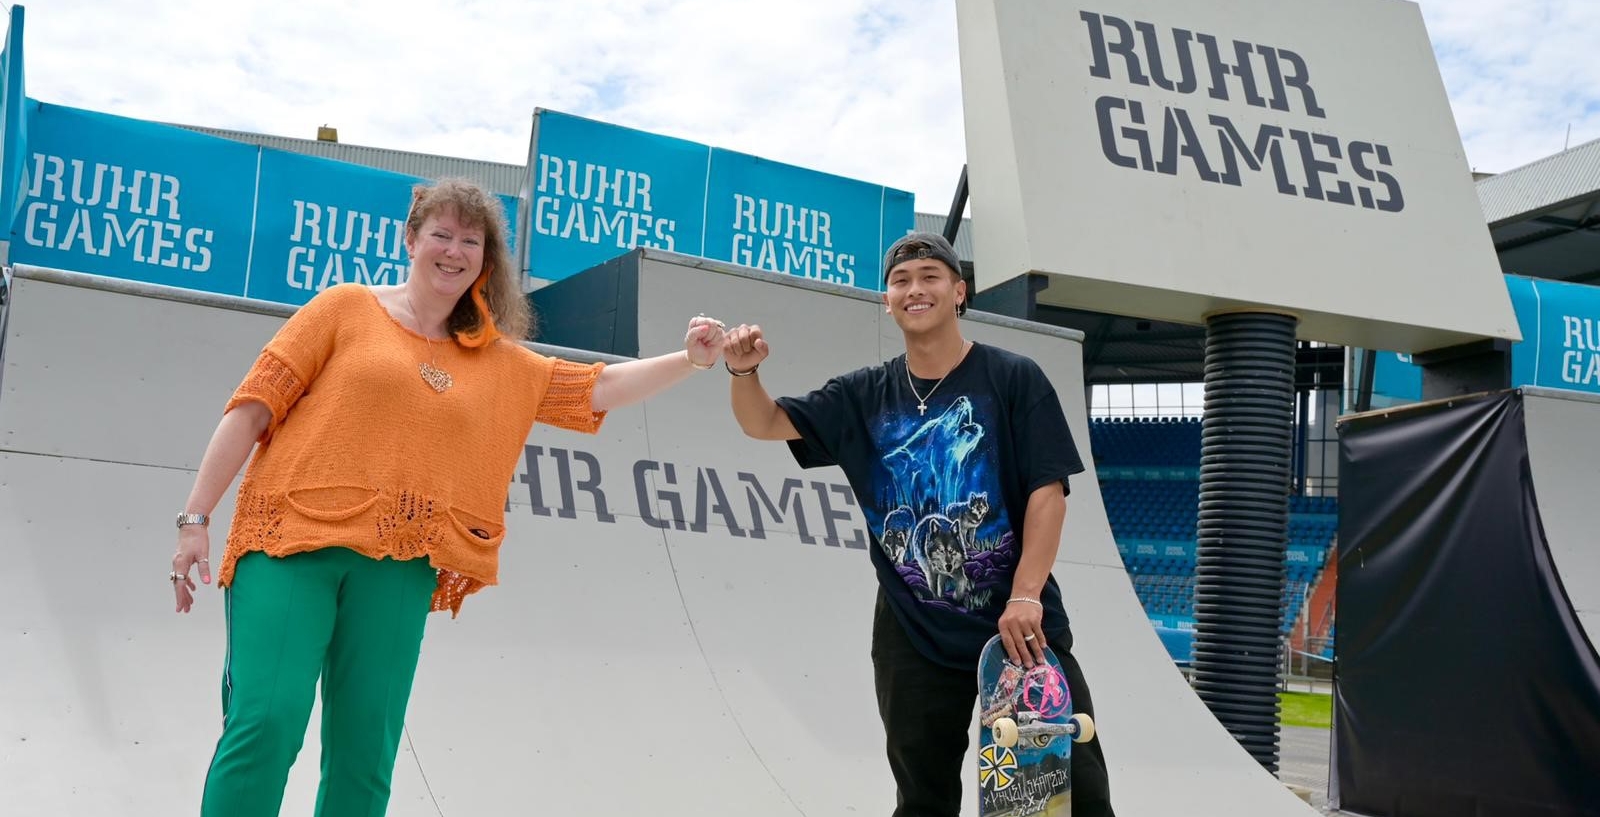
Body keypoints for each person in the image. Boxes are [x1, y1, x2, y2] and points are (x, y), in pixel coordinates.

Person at [167, 177, 726, 817]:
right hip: (290, 543)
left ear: (485, 262)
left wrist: (690, 359)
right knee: (266, 721)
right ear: (411, 239)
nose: (454, 250)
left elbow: (594, 389)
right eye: (441, 234)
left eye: (471, 240)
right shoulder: (345, 309)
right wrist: (195, 520)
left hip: (400, 567)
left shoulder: (497, 362)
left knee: (364, 753)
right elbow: (251, 409)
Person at [721, 232, 1114, 817]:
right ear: (887, 301)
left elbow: (1048, 492)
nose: (915, 289)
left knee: (1069, 794)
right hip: (912, 637)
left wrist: (1026, 593)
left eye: (931, 276)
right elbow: (765, 423)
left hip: (1018, 630)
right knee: (922, 797)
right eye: (902, 281)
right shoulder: (862, 395)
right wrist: (742, 372)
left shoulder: (1013, 379)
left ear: (959, 292)